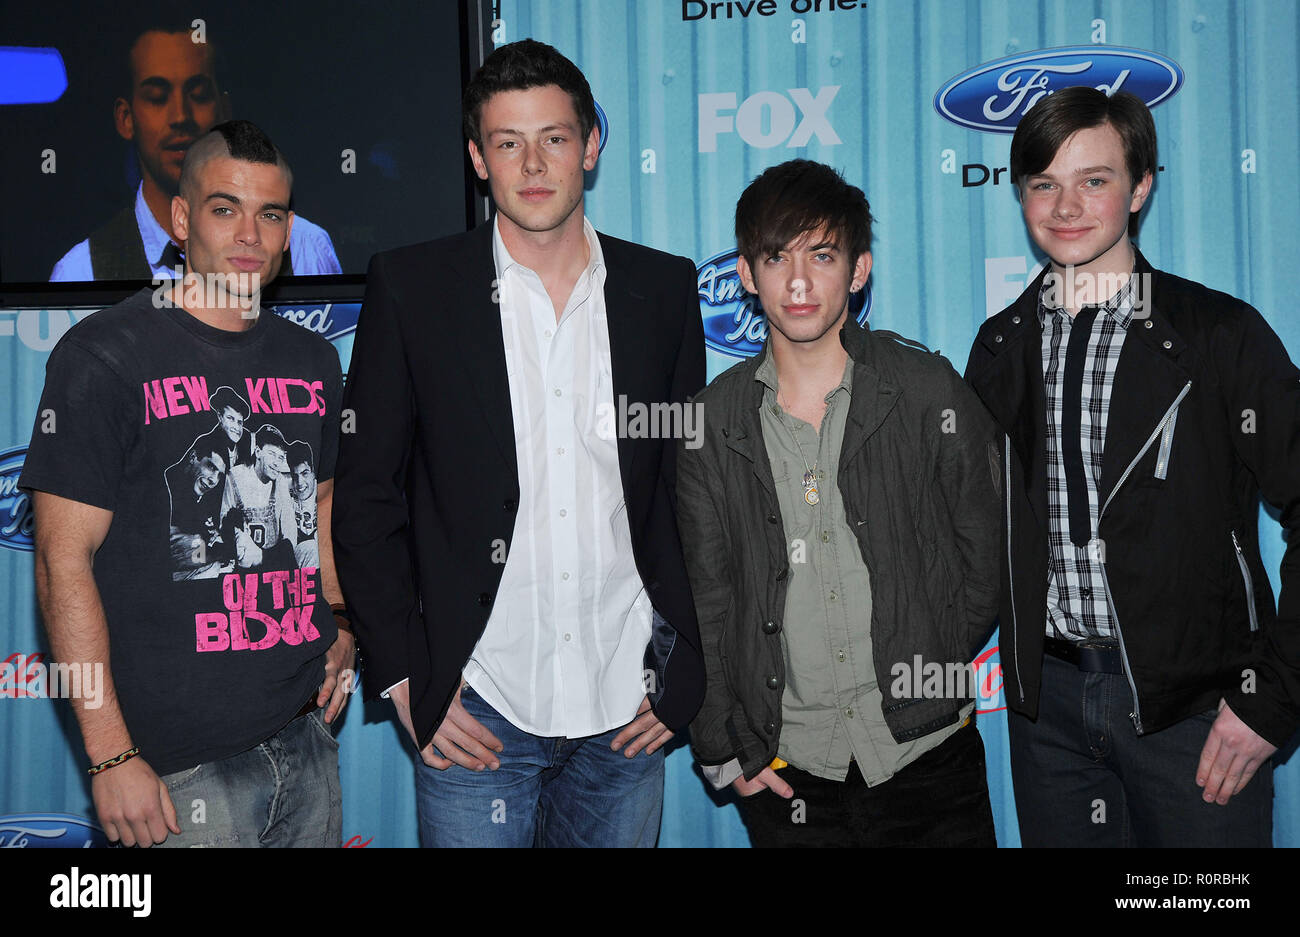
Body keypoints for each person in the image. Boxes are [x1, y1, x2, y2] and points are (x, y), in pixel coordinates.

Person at [332, 38, 706, 848]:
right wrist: (402, 676)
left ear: (592, 145)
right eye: (508, 142)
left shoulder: (664, 289)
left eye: (555, 138)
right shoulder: (412, 286)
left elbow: (691, 491)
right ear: (478, 158)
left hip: (626, 706)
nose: (533, 163)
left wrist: (689, 672)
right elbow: (366, 496)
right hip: (478, 709)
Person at [965, 87, 1300, 847]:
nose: (1066, 205)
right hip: (1045, 713)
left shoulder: (1219, 334)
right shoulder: (997, 348)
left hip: (1196, 716)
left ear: (1141, 185)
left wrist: (1272, 700)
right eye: (1044, 182)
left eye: (1095, 179)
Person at [23, 119, 352, 847]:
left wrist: (342, 621)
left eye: (269, 214)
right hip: (176, 773)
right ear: (179, 218)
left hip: (306, 741)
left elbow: (319, 504)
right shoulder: (104, 356)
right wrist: (111, 752)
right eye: (223, 208)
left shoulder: (312, 362)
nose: (249, 234)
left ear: (289, 228)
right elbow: (59, 562)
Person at [676, 160, 1002, 847]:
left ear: (858, 270)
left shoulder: (926, 390)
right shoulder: (710, 422)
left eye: (822, 255)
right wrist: (720, 744)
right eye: (777, 257)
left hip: (928, 757)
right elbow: (705, 600)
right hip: (789, 771)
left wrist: (932, 642)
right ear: (746, 272)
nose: (798, 281)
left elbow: (989, 551)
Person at [49, 18, 340, 281]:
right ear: (126, 118)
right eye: (157, 97)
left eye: (198, 94)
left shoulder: (305, 247)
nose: (180, 116)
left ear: (224, 110)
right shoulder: (82, 270)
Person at [220, 423, 300, 574]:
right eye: (272, 454)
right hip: (243, 565)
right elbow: (223, 523)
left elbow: (290, 530)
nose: (277, 462)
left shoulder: (280, 481)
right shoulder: (235, 477)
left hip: (274, 560)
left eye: (281, 457)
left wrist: (270, 556)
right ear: (258, 452)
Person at [287, 441, 319, 570]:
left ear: (314, 472)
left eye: (305, 473)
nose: (299, 483)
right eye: (295, 476)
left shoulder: (324, 490)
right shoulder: (284, 490)